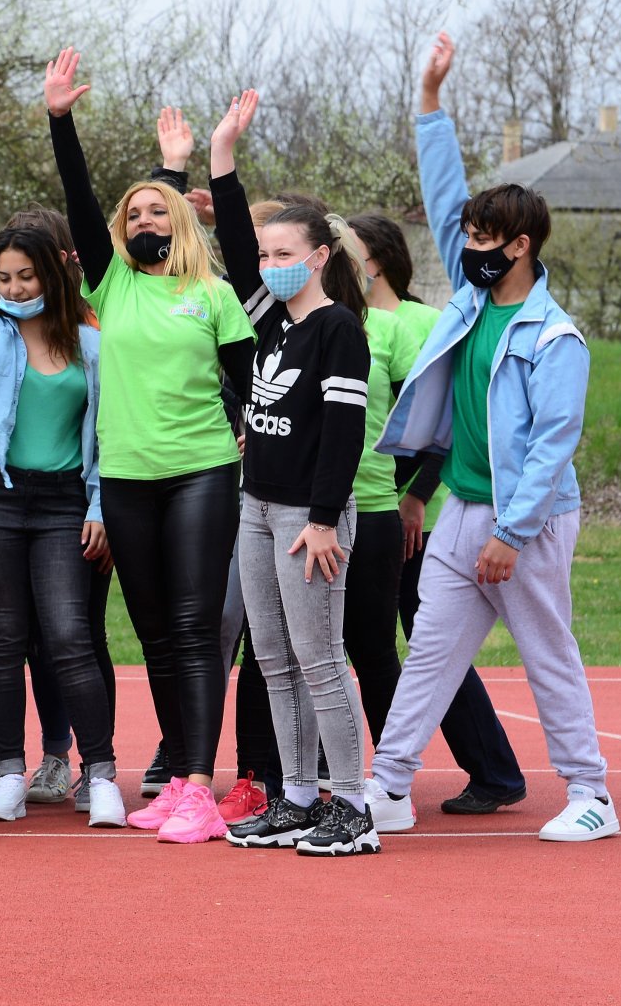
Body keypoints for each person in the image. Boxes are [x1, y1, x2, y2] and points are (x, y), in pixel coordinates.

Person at [367, 32, 616, 844]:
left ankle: (591, 795)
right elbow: (443, 195)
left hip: (528, 519)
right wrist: (431, 101)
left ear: (522, 246)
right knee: (432, 652)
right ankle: (390, 787)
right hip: (465, 511)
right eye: (466, 236)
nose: (466, 246)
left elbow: (553, 444)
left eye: (483, 239)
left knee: (548, 654)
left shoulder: (556, 339)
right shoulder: (472, 299)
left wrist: (512, 532)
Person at [43, 49, 257, 845]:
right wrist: (60, 118)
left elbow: (254, 382)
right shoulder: (113, 285)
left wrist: (251, 437)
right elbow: (77, 192)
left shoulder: (213, 294)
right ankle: (175, 781)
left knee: (199, 625)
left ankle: (199, 783)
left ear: (183, 220)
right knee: (157, 632)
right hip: (127, 480)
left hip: (201, 472)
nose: (143, 222)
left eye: (157, 211)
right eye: (133, 215)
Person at [201, 97, 377, 854]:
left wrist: (325, 517)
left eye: (286, 255)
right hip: (257, 506)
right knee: (272, 659)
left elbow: (344, 433)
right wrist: (222, 158)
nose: (272, 266)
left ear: (320, 256)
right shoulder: (272, 320)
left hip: (311, 516)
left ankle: (353, 806)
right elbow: (237, 249)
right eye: (267, 256)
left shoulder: (338, 329)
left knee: (318, 661)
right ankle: (299, 797)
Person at [0, 227, 126, 828]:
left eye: (26, 276)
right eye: (4, 278)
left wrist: (98, 507)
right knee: (3, 640)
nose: (14, 288)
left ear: (52, 276)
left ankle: (102, 775)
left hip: (64, 503)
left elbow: (103, 437)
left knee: (68, 636)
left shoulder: (91, 344)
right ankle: (7, 771)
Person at [348, 210, 528, 815]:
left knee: (428, 641)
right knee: (420, 643)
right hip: (361, 504)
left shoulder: (424, 321)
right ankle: (379, 772)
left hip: (407, 511)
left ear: (374, 259)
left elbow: (439, 427)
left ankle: (490, 769)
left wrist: (416, 495)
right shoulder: (350, 320)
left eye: (349, 249)